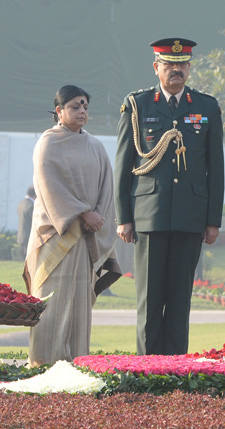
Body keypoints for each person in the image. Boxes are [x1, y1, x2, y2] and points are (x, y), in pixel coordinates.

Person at [114, 38, 224, 355]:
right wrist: (124, 217)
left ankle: (176, 367)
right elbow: (124, 165)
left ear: (189, 68)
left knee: (179, 299)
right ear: (156, 68)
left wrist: (212, 220)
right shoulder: (138, 106)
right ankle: (148, 369)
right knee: (149, 300)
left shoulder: (206, 107)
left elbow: (215, 168)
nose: (176, 70)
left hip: (190, 215)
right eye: (169, 65)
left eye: (182, 65)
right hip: (149, 214)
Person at [23, 85, 121, 367]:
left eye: (86, 107)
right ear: (59, 111)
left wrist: (98, 217)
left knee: (80, 302)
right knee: (51, 301)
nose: (82, 112)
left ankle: (77, 363)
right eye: (75, 106)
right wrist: (82, 213)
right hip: (56, 235)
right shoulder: (48, 143)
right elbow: (50, 187)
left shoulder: (95, 145)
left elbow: (106, 186)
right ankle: (43, 364)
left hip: (86, 239)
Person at [16, 186, 36, 260]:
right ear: (35, 194)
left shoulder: (21, 203)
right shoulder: (31, 206)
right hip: (28, 237)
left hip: (21, 237)